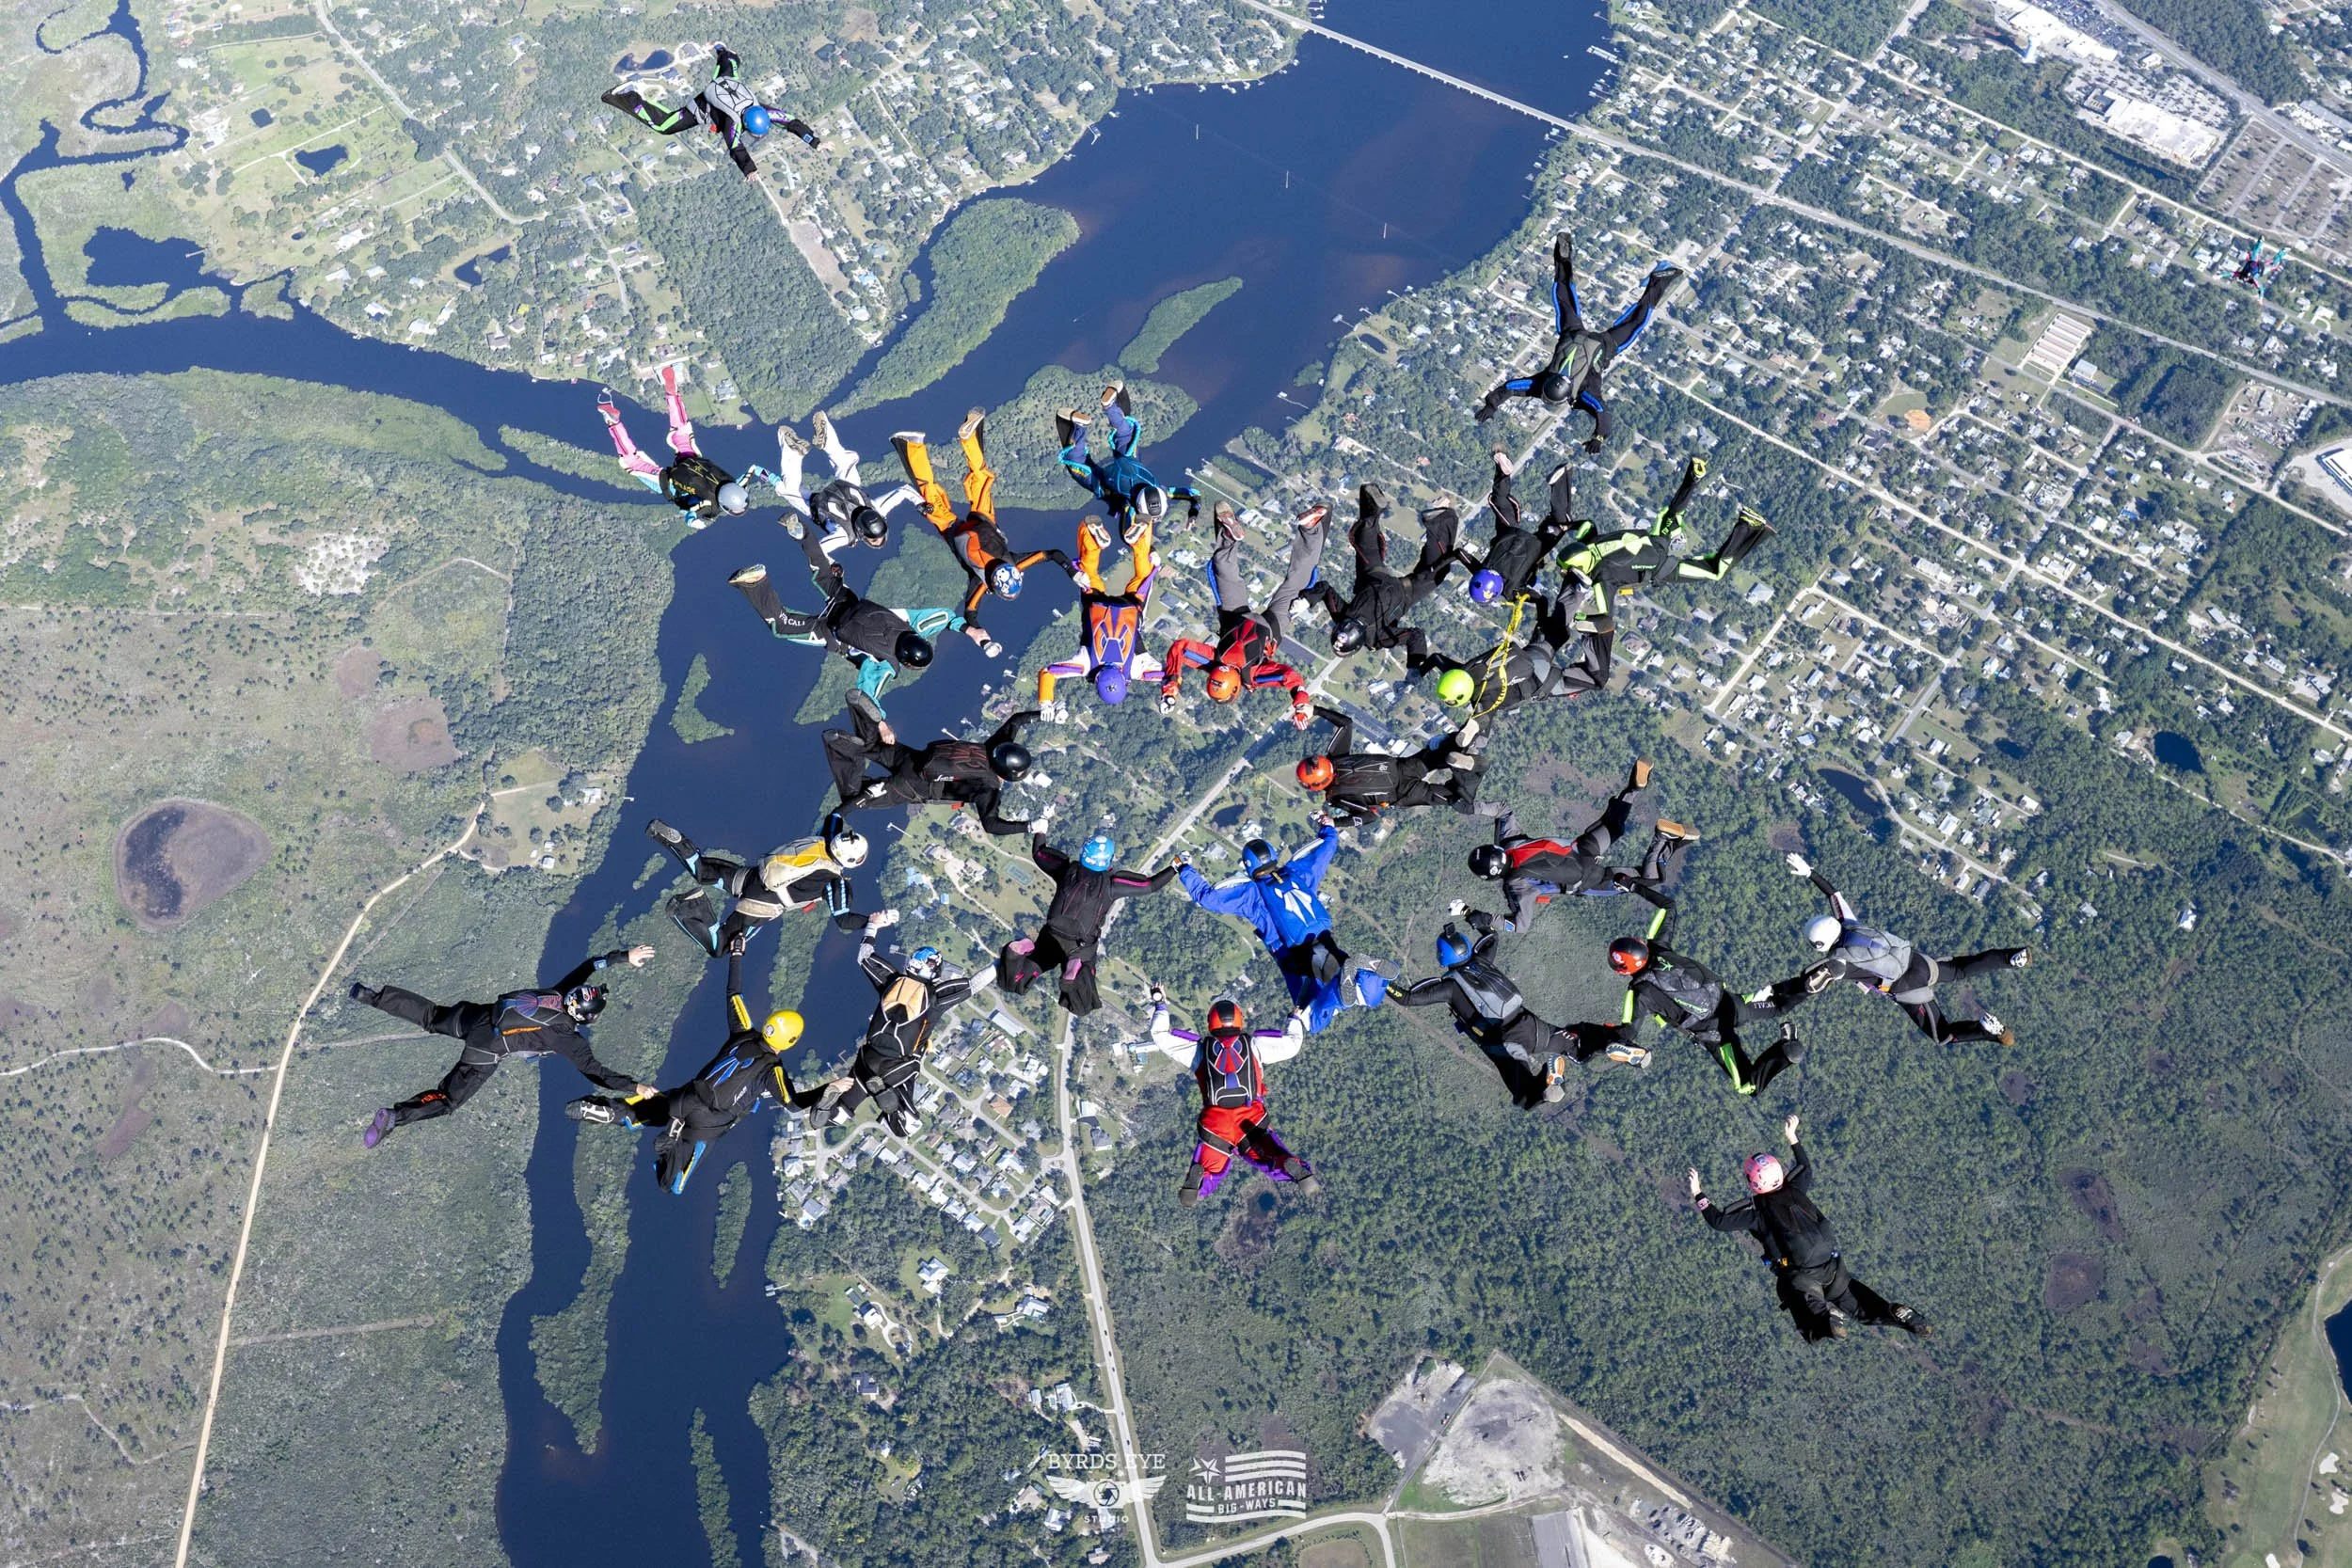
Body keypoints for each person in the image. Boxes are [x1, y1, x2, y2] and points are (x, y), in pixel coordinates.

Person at [349, 946, 659, 1147]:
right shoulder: (568, 1039)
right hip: (487, 1049)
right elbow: (596, 1073)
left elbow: (589, 964)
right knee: (447, 1100)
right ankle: (394, 1117)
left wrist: (624, 957)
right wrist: (635, 1087)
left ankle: (374, 997)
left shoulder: (559, 992)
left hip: (477, 1017)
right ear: (586, 1019)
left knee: (431, 1016)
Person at [566, 947, 805, 1194]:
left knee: (645, 1109)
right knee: (672, 1184)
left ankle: (610, 1111)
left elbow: (733, 992)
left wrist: (736, 954)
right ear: (790, 1042)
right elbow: (794, 1103)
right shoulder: (772, 1071)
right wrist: (832, 1090)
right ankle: (670, 1141)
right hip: (706, 1123)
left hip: (687, 1096)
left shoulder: (743, 1032)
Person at [1689, 1114, 1931, 1342]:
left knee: (1802, 1308)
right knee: (1863, 1309)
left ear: (1753, 1183)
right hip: (1834, 1267)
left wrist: (1698, 1193)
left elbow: (1718, 1222)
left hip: (1801, 1276)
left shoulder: (1758, 1214)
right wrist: (1792, 1136)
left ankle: (1827, 1319)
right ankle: (1896, 1315)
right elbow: (1805, 1166)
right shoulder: (1797, 1188)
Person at [1391, 909, 1643, 1108]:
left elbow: (1406, 998)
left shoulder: (1449, 987)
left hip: (1504, 1041)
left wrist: (1380, 981)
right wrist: (1470, 914)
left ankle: (1549, 1079)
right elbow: (1492, 937)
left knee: (1524, 1093)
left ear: (1443, 957)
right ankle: (1610, 1042)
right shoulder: (1481, 960)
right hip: (1530, 1023)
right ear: (1466, 948)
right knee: (1574, 1040)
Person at [727, 517, 965, 715]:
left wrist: (963, 626)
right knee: (781, 625)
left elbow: (941, 617)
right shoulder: (886, 664)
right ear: (905, 661)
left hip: (846, 599)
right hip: (829, 632)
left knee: (823, 572)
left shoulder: (909, 623)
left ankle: (802, 534)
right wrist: (879, 721)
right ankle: (756, 582)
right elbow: (868, 693)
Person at [1782, 854, 2026, 1045]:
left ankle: (1985, 1031)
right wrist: (1810, 873)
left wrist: (1782, 995)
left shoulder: (1840, 961)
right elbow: (1834, 894)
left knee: (1941, 1035)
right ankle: (2012, 957)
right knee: (1960, 969)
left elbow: (1815, 976)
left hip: (1907, 987)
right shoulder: (1850, 923)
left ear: (1821, 945)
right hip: (1918, 961)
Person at [1176, 818, 1387, 1032]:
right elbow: (1324, 852)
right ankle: (1365, 983)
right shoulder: (1297, 873)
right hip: (1323, 940)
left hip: (1290, 955)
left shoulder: (1252, 894)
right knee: (1333, 976)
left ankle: (1339, 997)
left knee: (1311, 1020)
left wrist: (1184, 869)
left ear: (1249, 867)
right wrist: (1328, 828)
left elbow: (1208, 899)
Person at [1475, 233, 1683, 449]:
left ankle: (1661, 279)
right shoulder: (1543, 383)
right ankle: (1563, 258)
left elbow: (1602, 412)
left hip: (1602, 345)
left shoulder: (1582, 392)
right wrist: (1492, 404)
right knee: (1564, 297)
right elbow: (1511, 387)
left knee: (1636, 322)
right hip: (1571, 334)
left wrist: (1599, 438)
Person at [895, 411, 1073, 657]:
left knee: (981, 477)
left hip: (984, 521)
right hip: (954, 531)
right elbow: (970, 613)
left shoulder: (1016, 563)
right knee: (930, 495)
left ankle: (969, 439)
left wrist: (1074, 572)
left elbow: (1052, 554)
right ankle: (912, 445)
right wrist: (981, 638)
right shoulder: (980, 583)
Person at [818, 911, 995, 1137]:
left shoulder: (891, 980)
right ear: (935, 972)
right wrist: (1003, 964)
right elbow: (975, 983)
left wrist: (873, 925)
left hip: (867, 1059)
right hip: (897, 1067)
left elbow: (863, 955)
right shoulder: (935, 995)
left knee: (841, 1110)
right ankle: (886, 1099)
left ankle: (828, 1111)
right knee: (906, 1127)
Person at [1606, 898, 1807, 1097]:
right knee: (1778, 1006)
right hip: (1730, 1005)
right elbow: (1668, 906)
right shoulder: (1658, 948)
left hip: (1715, 1034)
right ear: (1640, 945)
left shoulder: (1639, 993)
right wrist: (1631, 884)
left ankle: (1784, 1053)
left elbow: (1629, 1031)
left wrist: (1610, 1035)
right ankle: (1808, 985)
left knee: (1748, 1086)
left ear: (1622, 971)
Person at [1468, 759, 1695, 932]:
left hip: (1590, 880)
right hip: (1583, 849)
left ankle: (1662, 839)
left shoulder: (1516, 884)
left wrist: (1484, 919)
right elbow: (1503, 810)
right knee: (1613, 825)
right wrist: (1471, 808)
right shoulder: (1509, 843)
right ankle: (1634, 790)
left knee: (1649, 879)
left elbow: (1519, 925)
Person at [1146, 988, 1318, 1206]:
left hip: (1216, 1124)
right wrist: (1294, 1018)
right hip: (1252, 1121)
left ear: (1211, 1023)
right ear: (1239, 1021)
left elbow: (1159, 1036)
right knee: (1271, 1158)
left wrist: (1161, 1005)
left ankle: (1200, 1183)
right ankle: (1291, 1166)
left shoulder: (1199, 1050)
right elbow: (1293, 1044)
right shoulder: (1255, 1045)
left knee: (1213, 1169)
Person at [1160, 502, 1317, 729]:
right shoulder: (1213, 661)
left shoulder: (1252, 677)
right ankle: (1227, 534)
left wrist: (1301, 705)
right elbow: (1180, 648)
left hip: (1270, 627)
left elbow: (1289, 677)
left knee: (1296, 584)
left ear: (1235, 689)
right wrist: (1171, 685)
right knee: (1223, 568)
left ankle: (1311, 529)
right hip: (1236, 616)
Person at [1556, 457, 1774, 617]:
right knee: (1673, 513)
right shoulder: (1589, 542)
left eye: (1566, 569)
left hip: (1663, 568)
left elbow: (1605, 616)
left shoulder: (1602, 579)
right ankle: (1694, 475)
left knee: (1716, 572)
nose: (1564, 573)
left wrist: (1580, 618)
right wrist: (1568, 525)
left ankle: (1747, 525)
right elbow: (1587, 525)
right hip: (1654, 540)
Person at [998, 834, 1177, 1016]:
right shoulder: (1111, 885)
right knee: (1082, 1005)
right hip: (1080, 946)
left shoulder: (1066, 870)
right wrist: (1175, 866)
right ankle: (1073, 977)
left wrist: (1040, 830)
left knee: (1015, 982)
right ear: (1108, 860)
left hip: (1051, 934)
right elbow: (1150, 885)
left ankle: (1019, 952)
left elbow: (1039, 853)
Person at [644, 814, 868, 957]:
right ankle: (692, 906)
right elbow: (843, 920)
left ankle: (672, 839)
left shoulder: (826, 838)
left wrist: (859, 798)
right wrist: (874, 922)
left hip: (754, 877)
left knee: (704, 871)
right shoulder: (835, 882)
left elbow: (836, 814)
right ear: (851, 861)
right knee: (720, 948)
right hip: (761, 906)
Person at [1298, 483, 1466, 670]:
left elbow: (1415, 635)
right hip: (1373, 580)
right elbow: (1325, 589)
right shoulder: (1341, 616)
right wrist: (1305, 600)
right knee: (1366, 542)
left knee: (1438, 571)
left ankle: (1440, 518)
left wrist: (1414, 667)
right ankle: (1372, 510)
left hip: (1404, 591)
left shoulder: (1376, 639)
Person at [600, 44, 818, 180]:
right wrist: (749, 169)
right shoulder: (733, 124)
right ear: (747, 126)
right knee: (664, 125)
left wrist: (815, 141)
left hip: (726, 81)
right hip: (705, 105)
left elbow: (791, 122)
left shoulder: (763, 111)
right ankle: (626, 97)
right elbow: (736, 148)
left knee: (729, 67)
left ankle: (727, 55)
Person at [1430, 593, 1615, 751]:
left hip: (1543, 683)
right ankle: (1576, 584)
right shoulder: (1466, 671)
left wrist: (1467, 738)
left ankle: (1599, 634)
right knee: (1557, 630)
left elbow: (1481, 725)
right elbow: (1437, 659)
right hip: (1532, 656)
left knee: (1596, 679)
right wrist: (1419, 667)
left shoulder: (1483, 699)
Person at [823, 705, 1039, 836]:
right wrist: (1028, 827)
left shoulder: (995, 747)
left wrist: (1043, 715)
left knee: (873, 747)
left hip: (912, 758)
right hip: (910, 787)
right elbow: (992, 825)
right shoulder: (988, 788)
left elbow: (1017, 719)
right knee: (852, 796)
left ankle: (860, 731)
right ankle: (843, 748)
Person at [1037, 513, 1166, 717]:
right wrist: (1045, 702)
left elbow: (1170, 676)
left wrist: (1170, 695)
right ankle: (1091, 536)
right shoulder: (1085, 665)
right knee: (1088, 573)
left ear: (1124, 682)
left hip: (1131, 606)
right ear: (1097, 681)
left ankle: (1140, 541)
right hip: (1095, 605)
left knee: (1144, 573)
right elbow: (1047, 673)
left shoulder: (1137, 669)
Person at [597, 366, 751, 527]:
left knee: (682, 433)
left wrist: (775, 481)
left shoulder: (736, 483)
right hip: (670, 484)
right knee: (631, 462)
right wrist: (696, 523)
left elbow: (755, 469)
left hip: (692, 464)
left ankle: (672, 392)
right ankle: (613, 421)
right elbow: (690, 515)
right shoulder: (711, 508)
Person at [758, 410, 918, 552]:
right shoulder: (843, 536)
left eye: (875, 539)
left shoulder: (879, 510)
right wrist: (832, 567)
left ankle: (826, 440)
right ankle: (792, 451)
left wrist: (922, 504)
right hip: (817, 505)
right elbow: (819, 552)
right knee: (789, 490)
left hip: (848, 487)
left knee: (845, 461)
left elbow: (903, 491)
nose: (877, 537)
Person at [1296, 704, 1479, 825]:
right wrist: (1315, 710)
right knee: (1434, 754)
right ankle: (1458, 743)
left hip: (1403, 793)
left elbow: (1368, 817)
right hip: (1402, 766)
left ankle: (1468, 771)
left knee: (1455, 799)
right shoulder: (1336, 758)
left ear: (1316, 785)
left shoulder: (1336, 796)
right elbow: (1346, 723)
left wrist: (1335, 823)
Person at [1056, 384, 1200, 531]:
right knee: (1076, 461)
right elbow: (1125, 532)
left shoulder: (1163, 491)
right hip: (1105, 484)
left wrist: (1193, 514)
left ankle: (1110, 407)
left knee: (1125, 434)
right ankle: (1080, 427)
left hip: (1129, 462)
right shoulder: (1129, 505)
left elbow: (1194, 494)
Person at [1459, 450, 1577, 607]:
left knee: (1562, 522)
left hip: (1536, 546)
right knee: (1499, 500)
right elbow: (1460, 554)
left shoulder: (1512, 593)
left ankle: (1561, 479)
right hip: (1509, 533)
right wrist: (1437, 565)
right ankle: (1502, 469)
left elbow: (1539, 599)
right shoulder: (1480, 571)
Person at [1264, 501, 1332, 646]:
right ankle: (1226, 538)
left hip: (1274, 626)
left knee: (1298, 581)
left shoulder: (1256, 664)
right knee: (1297, 581)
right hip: (1261, 626)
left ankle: (1312, 527)